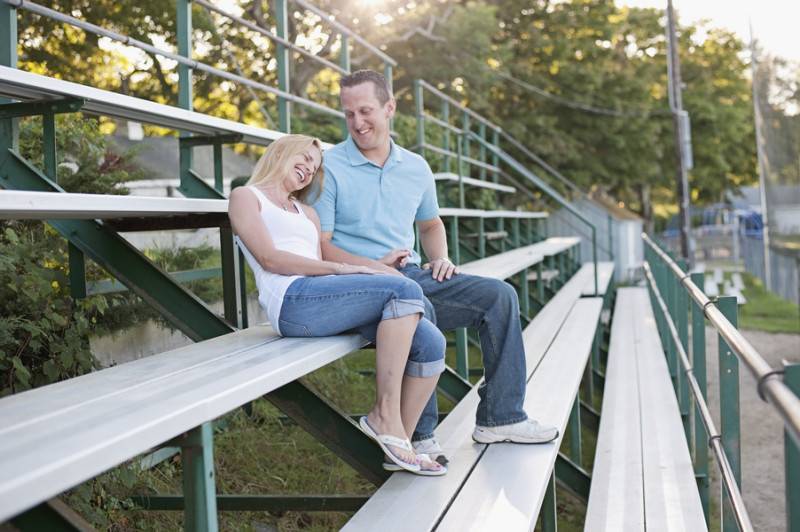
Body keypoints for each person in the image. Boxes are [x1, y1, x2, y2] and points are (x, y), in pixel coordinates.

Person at [315, 70, 559, 465]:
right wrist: (376, 267)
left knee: (500, 296)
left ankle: (500, 417)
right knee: (415, 305)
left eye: (365, 111)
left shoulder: (415, 167)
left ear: (390, 107)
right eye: (348, 114)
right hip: (360, 285)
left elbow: (430, 224)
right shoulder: (330, 168)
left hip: (409, 273)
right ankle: (420, 434)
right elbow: (322, 247)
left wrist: (441, 257)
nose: (357, 123)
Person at [228, 134, 446, 475]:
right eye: (303, 158)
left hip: (322, 296)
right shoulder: (247, 196)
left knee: (431, 342)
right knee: (402, 292)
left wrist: (379, 267)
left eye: (313, 167)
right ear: (281, 152)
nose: (307, 169)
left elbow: (326, 263)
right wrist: (341, 269)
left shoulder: (307, 213)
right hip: (291, 301)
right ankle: (384, 417)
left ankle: (399, 440)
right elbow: (270, 259)